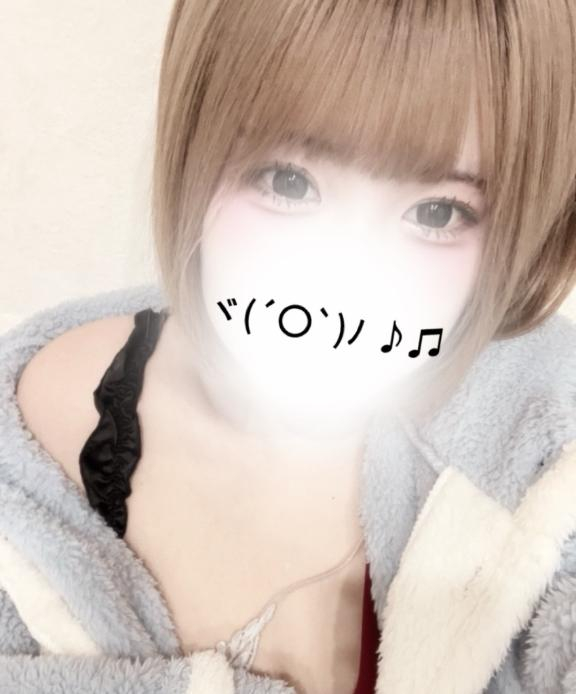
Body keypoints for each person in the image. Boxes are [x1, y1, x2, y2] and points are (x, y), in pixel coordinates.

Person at [1, 0, 576, 692]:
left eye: (437, 212)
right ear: (194, 145)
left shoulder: (543, 436)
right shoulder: (38, 447)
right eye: (288, 182)